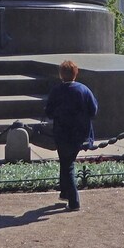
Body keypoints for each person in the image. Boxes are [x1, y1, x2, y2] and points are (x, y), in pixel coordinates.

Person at [44, 60, 98, 211]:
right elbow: (93, 111)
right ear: (76, 73)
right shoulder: (84, 90)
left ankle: (74, 200)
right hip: (80, 134)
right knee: (66, 162)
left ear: (61, 74)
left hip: (62, 133)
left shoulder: (56, 91)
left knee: (67, 165)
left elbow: (48, 112)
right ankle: (64, 192)